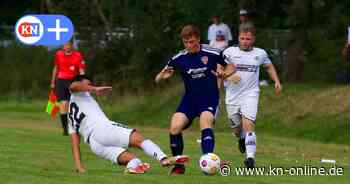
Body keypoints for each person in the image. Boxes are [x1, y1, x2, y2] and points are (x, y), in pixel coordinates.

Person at [155, 25, 235, 175]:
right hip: (190, 100)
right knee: (174, 126)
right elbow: (158, 77)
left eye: (192, 41)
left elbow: (232, 66)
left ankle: (208, 162)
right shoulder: (179, 58)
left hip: (209, 98)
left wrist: (225, 74)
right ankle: (179, 166)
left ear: (198, 38)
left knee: (205, 123)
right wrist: (161, 76)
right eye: (186, 42)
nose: (189, 45)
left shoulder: (212, 52)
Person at [68, 75, 189, 174]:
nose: (88, 86)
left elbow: (74, 143)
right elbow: (74, 85)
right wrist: (94, 88)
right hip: (102, 129)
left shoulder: (70, 114)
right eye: (87, 84)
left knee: (133, 160)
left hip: (95, 145)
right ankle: (163, 158)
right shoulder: (78, 93)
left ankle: (132, 167)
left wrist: (79, 167)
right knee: (139, 139)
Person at [222, 22, 282, 168]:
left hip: (251, 94)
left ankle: (250, 159)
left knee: (248, 125)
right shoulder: (229, 52)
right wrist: (228, 77)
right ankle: (241, 138)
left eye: (248, 39)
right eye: (242, 38)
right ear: (238, 38)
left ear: (253, 39)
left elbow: (268, 66)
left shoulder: (260, 54)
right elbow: (217, 69)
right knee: (237, 130)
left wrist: (277, 81)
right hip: (232, 96)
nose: (244, 42)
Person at [50, 41, 85, 135]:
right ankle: (65, 129)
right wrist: (52, 82)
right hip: (61, 81)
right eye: (64, 45)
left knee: (72, 105)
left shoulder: (78, 55)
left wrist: (83, 82)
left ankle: (74, 126)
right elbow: (56, 68)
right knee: (63, 104)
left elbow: (81, 70)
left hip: (73, 82)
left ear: (72, 45)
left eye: (68, 45)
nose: (66, 47)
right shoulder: (58, 54)